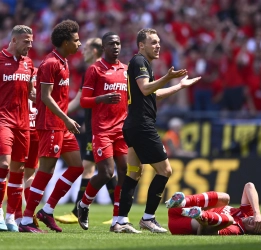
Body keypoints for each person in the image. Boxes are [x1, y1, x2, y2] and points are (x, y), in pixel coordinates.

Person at [113, 28, 201, 234]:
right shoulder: (139, 62)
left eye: (159, 42)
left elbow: (153, 94)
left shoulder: (143, 65)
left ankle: (120, 220)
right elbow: (146, 89)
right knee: (165, 170)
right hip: (142, 125)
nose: (158, 45)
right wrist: (168, 78)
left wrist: (179, 86)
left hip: (133, 124)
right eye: (153, 42)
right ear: (141, 45)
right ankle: (148, 218)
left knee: (133, 173)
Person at [19, 19, 83, 233]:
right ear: (65, 42)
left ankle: (47, 210)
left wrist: (65, 121)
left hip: (62, 125)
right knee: (45, 170)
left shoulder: (63, 62)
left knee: (77, 167)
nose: (79, 43)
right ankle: (27, 220)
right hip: (50, 125)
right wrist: (66, 118)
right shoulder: (50, 64)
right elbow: (44, 97)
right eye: (76, 40)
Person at [54, 38, 118, 225]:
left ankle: (78, 211)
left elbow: (81, 99)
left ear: (97, 50)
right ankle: (119, 213)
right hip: (95, 125)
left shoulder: (97, 69)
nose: (83, 50)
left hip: (99, 128)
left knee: (94, 168)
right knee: (104, 169)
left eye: (87, 48)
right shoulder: (96, 69)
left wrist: (60, 113)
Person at [77, 32, 128, 232]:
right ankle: (83, 204)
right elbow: (83, 100)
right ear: (103, 48)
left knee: (124, 172)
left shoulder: (126, 70)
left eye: (118, 43)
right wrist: (101, 98)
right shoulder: (94, 70)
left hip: (122, 129)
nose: (115, 47)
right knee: (106, 173)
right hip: (102, 130)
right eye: (111, 44)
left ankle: (117, 221)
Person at [0, 25, 35, 232]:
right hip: (3, 120)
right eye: (26, 41)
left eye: (31, 41)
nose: (30, 45)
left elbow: (30, 91)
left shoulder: (29, 63)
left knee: (19, 170)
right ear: (13, 41)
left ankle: (11, 215)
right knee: (3, 164)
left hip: (23, 125)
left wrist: (35, 94)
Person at [165, 182, 261, 235]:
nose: (253, 221)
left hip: (180, 224)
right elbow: (249, 186)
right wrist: (257, 213)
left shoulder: (235, 230)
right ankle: (183, 202)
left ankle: (199, 213)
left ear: (252, 232)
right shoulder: (247, 213)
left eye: (256, 226)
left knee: (229, 220)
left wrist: (202, 220)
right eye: (257, 221)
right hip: (179, 208)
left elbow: (204, 234)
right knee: (225, 198)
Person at [14, 67, 39, 229]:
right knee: (28, 175)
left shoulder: (13, 75)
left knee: (14, 173)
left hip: (21, 128)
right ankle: (26, 216)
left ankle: (17, 216)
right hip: (34, 129)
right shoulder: (41, 74)